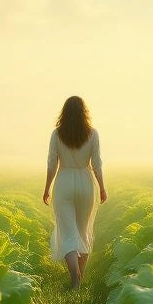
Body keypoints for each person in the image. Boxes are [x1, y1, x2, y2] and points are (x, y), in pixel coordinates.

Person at [42, 95, 107, 289]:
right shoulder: (92, 134)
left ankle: (74, 278)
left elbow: (52, 164)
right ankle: (80, 275)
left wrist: (46, 188)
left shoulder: (57, 134)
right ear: (84, 113)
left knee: (69, 233)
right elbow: (97, 164)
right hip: (86, 183)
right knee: (82, 230)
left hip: (63, 182)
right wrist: (102, 187)